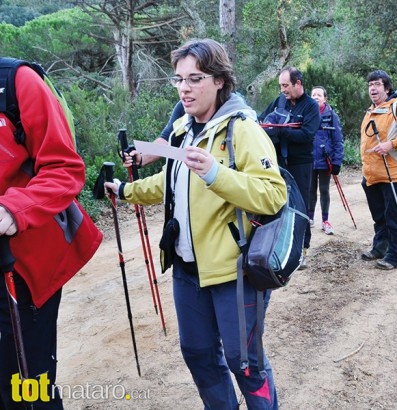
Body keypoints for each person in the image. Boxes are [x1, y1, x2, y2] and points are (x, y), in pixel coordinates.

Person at [105, 39, 286, 410]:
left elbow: (273, 195)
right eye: (179, 80)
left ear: (219, 80)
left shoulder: (243, 129)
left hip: (233, 274)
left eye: (195, 78)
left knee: (245, 364)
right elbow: (170, 184)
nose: (184, 88)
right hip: (187, 271)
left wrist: (216, 173)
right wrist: (126, 190)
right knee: (199, 356)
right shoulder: (181, 130)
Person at [0, 61, 102, 408]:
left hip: (21, 268)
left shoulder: (16, 83)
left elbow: (64, 168)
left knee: (28, 386)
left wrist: (13, 210)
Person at [360, 70, 397, 270]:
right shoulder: (371, 110)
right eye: (370, 85)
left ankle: (396, 256)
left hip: (393, 174)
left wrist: (392, 144)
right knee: (379, 216)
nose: (373, 88)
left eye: (377, 84)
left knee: (394, 216)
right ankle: (380, 248)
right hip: (372, 174)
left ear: (387, 88)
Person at [258, 67, 320, 268]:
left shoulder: (310, 106)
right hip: (278, 163)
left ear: (298, 84)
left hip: (301, 163)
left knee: (300, 205)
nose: (283, 90)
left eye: (286, 85)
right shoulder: (279, 101)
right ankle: (278, 248)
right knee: (278, 204)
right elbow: (262, 119)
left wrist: (279, 131)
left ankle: (302, 249)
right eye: (280, 86)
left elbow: (306, 135)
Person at [308, 86, 344, 235]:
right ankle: (309, 219)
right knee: (310, 190)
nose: (316, 97)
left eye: (319, 95)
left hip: (325, 160)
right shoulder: (307, 114)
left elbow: (338, 141)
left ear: (325, 98)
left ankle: (325, 220)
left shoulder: (332, 116)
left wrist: (337, 162)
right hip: (309, 160)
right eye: (313, 94)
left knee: (324, 190)